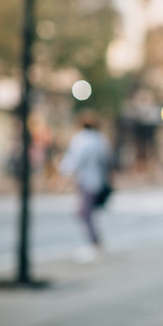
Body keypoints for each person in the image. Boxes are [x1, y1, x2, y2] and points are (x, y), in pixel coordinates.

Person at [58, 109, 113, 262]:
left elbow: (74, 160)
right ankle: (95, 241)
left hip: (86, 180)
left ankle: (94, 243)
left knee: (84, 212)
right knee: (86, 212)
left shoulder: (80, 139)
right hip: (98, 180)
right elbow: (107, 161)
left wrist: (63, 175)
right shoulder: (101, 139)